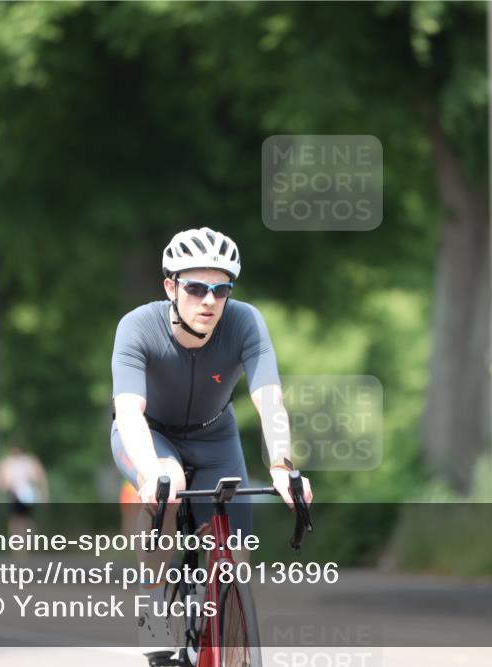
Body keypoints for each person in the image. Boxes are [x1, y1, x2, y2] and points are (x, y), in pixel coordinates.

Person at [109, 227, 312, 656]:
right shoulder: (137, 327)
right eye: (196, 287)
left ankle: (222, 631)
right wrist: (152, 472)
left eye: (221, 290)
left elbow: (270, 400)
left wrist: (283, 466)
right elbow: (128, 412)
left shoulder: (245, 322)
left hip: (216, 434)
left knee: (237, 555)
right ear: (171, 287)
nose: (209, 300)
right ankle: (154, 602)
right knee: (170, 484)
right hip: (150, 433)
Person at [0, 444, 49, 539]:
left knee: (23, 520)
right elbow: (0, 482)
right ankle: (19, 543)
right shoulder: (7, 463)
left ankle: (25, 542)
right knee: (17, 520)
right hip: (14, 493)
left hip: (26, 494)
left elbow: (39, 477)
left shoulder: (26, 461)